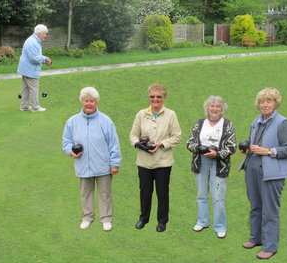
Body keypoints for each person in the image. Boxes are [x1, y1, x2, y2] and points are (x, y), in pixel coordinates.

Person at [238, 87, 287, 260]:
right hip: (252, 169)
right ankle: (256, 238)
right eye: (262, 101)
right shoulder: (256, 122)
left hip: (272, 174)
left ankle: (270, 246)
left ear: (275, 103)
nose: (264, 104)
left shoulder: (282, 122)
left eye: (268, 101)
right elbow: (255, 144)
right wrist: (248, 149)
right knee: (255, 207)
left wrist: (269, 151)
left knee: (269, 210)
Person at [62, 87, 121, 232]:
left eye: (92, 101)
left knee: (105, 193)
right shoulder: (72, 121)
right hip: (83, 165)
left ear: (96, 103)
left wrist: (115, 163)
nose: (89, 104)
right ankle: (87, 217)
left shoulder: (106, 121)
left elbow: (114, 143)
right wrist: (70, 151)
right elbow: (66, 141)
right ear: (82, 102)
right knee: (85, 193)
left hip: (103, 165)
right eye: (86, 100)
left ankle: (106, 218)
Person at [129, 83, 181, 232]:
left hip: (163, 162)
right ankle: (143, 218)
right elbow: (133, 134)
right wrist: (138, 144)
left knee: (162, 192)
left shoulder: (171, 114)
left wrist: (161, 144)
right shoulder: (141, 114)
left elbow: (177, 137)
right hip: (144, 162)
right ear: (149, 98)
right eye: (152, 96)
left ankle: (162, 221)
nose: (155, 99)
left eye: (159, 96)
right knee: (145, 191)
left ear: (164, 98)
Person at [186, 96, 236, 239]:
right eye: (212, 106)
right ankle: (202, 221)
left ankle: (220, 226)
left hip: (219, 163)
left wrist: (218, 153)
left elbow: (232, 146)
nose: (215, 109)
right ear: (207, 108)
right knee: (201, 194)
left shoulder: (227, 125)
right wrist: (199, 149)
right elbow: (189, 142)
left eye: (218, 106)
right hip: (201, 162)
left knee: (218, 197)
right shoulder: (199, 123)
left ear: (222, 109)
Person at [17, 24, 52, 112]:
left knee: (26, 88)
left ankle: (24, 106)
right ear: (39, 33)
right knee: (34, 88)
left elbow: (35, 56)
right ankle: (35, 107)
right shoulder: (33, 42)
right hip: (30, 69)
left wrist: (44, 59)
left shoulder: (33, 40)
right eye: (44, 33)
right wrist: (45, 59)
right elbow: (33, 58)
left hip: (25, 68)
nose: (45, 35)